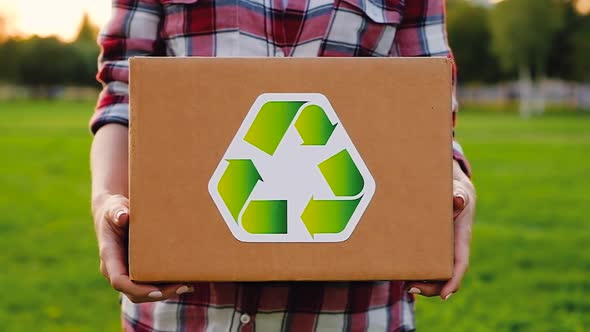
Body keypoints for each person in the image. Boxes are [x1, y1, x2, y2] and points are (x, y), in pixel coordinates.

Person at [90, 0, 476, 330]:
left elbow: (429, 107)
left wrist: (456, 185)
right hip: (185, 311)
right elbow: (126, 95)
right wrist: (107, 198)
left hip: (355, 314)